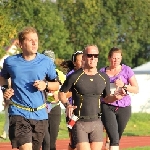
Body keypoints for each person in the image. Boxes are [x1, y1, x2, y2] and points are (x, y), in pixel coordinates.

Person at [0, 27, 59, 150]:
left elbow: (56, 84)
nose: (34, 43)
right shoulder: (10, 62)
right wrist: (5, 89)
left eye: (36, 40)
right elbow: (2, 78)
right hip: (18, 112)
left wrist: (46, 85)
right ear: (21, 44)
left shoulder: (46, 62)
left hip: (40, 114)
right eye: (30, 40)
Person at [58, 45, 125, 150]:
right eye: (90, 55)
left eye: (95, 55)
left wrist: (116, 97)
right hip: (79, 122)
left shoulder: (103, 78)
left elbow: (106, 98)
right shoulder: (75, 76)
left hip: (96, 122)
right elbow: (61, 93)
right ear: (84, 57)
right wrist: (67, 105)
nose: (93, 58)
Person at [100, 47, 139, 150]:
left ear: (121, 58)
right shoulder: (102, 72)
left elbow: (136, 89)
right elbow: (98, 90)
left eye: (118, 58)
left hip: (124, 107)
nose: (116, 60)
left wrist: (124, 85)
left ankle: (109, 145)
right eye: (114, 58)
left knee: (117, 136)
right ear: (109, 58)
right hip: (107, 106)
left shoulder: (127, 70)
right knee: (114, 137)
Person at [41, 50, 66, 150]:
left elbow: (67, 91)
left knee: (52, 143)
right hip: (41, 110)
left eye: (50, 60)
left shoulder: (59, 74)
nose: (48, 62)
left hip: (54, 109)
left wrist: (59, 97)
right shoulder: (38, 73)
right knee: (45, 142)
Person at [61, 50, 83, 150]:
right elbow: (63, 94)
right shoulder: (71, 75)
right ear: (74, 63)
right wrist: (78, 90)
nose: (83, 62)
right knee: (74, 142)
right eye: (80, 60)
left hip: (87, 111)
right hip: (73, 111)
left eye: (84, 59)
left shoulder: (90, 73)